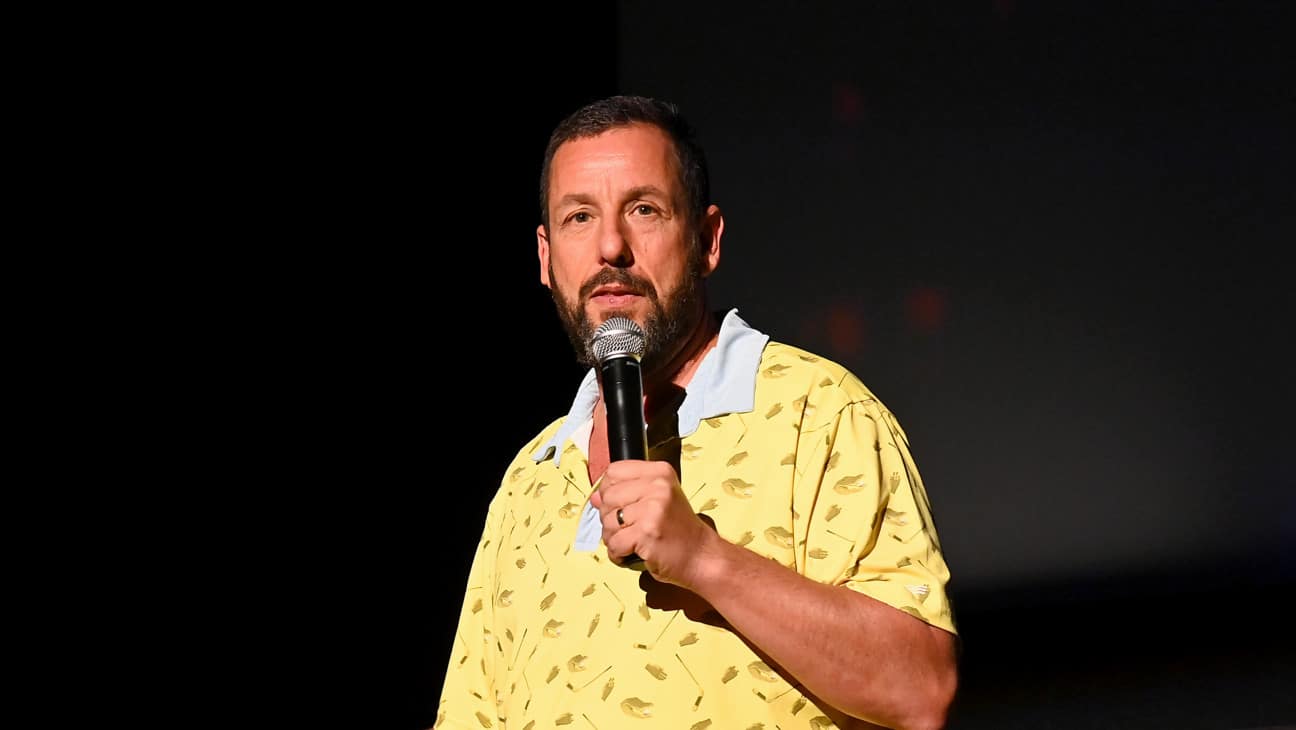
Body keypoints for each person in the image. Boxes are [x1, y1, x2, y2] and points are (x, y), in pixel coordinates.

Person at [436, 95, 958, 730]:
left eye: (644, 210)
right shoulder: (529, 481)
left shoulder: (820, 413)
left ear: (707, 240)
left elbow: (921, 689)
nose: (610, 247)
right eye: (579, 217)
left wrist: (704, 558)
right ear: (546, 260)